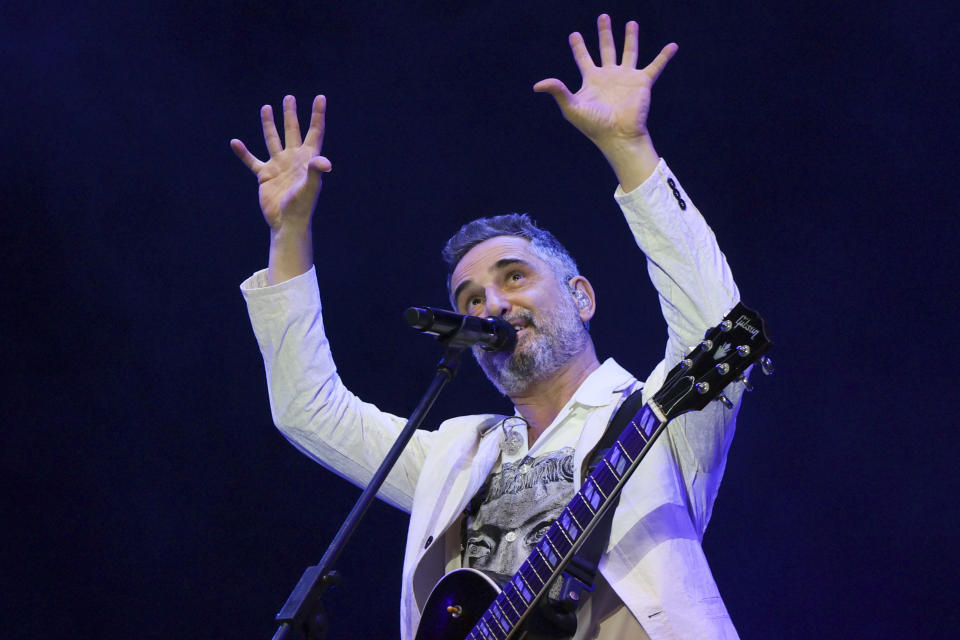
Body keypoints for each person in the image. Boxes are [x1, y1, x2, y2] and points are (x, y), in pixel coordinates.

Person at [234, 14, 745, 640]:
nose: (491, 306)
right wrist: (289, 236)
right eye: (469, 297)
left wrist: (627, 149)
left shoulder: (661, 420)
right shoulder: (455, 458)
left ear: (581, 297)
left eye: (513, 277)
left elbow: (717, 325)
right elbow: (307, 409)